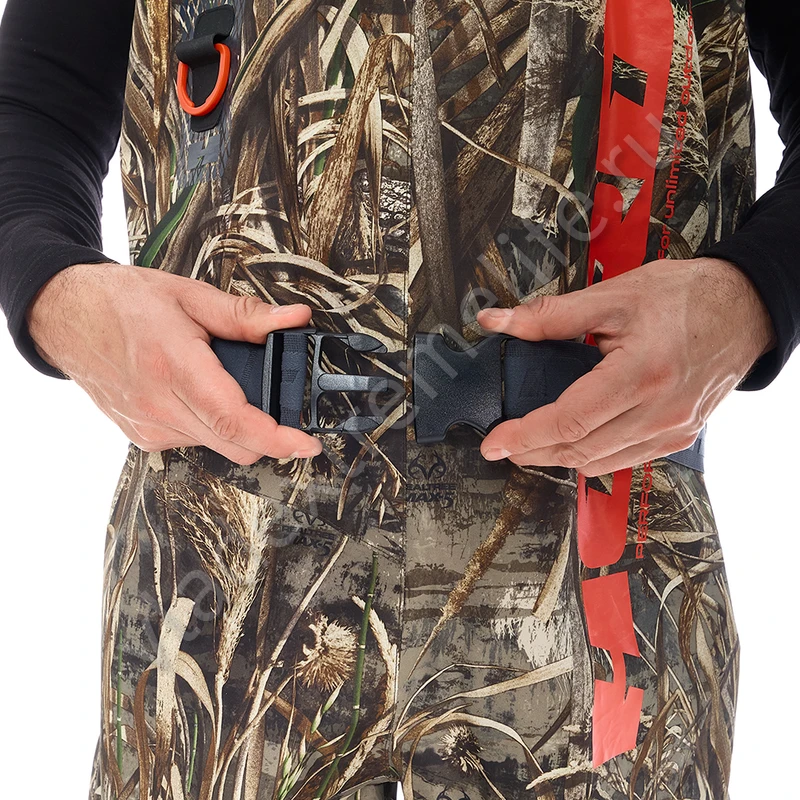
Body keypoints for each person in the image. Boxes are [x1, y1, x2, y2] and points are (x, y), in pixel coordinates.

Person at [0, 1, 797, 798]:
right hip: (218, 604)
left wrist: (755, 293)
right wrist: (56, 292)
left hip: (601, 607)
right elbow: (32, 109)